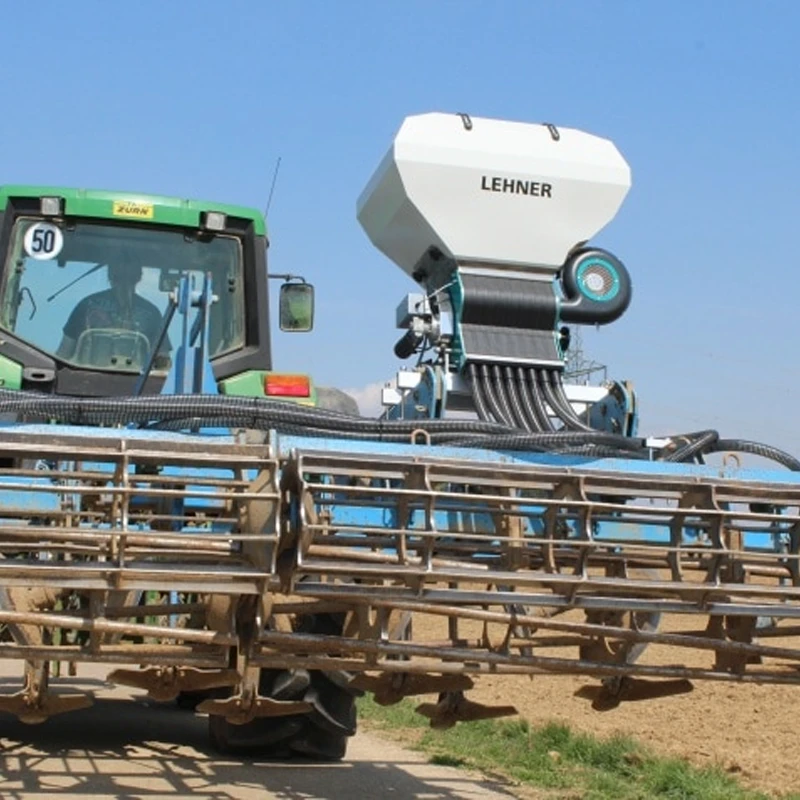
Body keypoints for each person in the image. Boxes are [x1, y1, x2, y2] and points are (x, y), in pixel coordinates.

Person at [57, 263, 168, 363]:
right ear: (139, 277)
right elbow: (63, 356)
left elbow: (162, 360)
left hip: (139, 385)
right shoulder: (86, 306)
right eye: (120, 272)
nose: (124, 276)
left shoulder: (87, 304)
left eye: (127, 273)